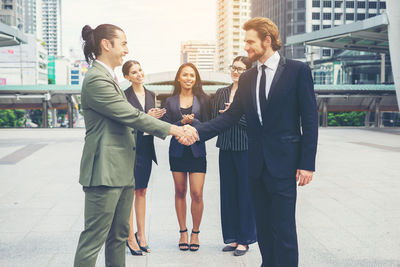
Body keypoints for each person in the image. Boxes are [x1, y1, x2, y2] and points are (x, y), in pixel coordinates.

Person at [183, 17, 318, 267]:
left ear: (267, 40)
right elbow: (231, 117)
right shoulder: (248, 78)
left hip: (284, 164)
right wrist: (196, 132)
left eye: (250, 42)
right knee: (264, 229)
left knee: (284, 229)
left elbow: (310, 120)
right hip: (255, 166)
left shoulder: (298, 71)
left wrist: (307, 163)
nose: (246, 47)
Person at [74, 24, 190, 267]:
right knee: (93, 239)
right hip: (104, 172)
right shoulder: (96, 79)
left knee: (118, 236)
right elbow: (131, 116)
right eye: (123, 43)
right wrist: (174, 129)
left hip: (123, 170)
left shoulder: (109, 77)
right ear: (107, 44)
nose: (127, 49)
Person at [162, 63, 211, 252]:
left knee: (197, 193)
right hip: (177, 152)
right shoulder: (170, 101)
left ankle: (195, 233)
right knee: (180, 191)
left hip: (198, 151)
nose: (189, 78)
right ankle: (183, 232)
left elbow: (209, 125)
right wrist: (180, 123)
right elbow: (165, 126)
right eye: (185, 75)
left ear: (196, 78)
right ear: (178, 78)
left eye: (192, 75)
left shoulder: (204, 100)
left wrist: (194, 122)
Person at [213, 56, 257, 256]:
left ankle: (245, 239)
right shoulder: (220, 93)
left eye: (240, 69)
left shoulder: (251, 93)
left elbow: (256, 124)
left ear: (247, 71)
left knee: (245, 194)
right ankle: (231, 237)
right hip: (226, 147)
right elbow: (216, 120)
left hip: (246, 149)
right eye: (233, 68)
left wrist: (234, 115)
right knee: (228, 193)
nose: (235, 71)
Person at [122, 60, 166, 255]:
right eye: (134, 72)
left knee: (142, 191)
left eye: (140, 70)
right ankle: (130, 236)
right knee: (130, 193)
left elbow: (150, 122)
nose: (139, 74)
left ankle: (142, 235)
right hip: (131, 148)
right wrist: (146, 116)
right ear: (127, 77)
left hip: (147, 147)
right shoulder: (124, 96)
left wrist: (156, 118)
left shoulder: (151, 94)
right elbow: (125, 123)